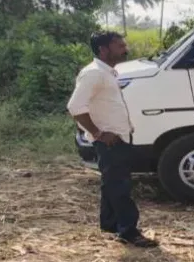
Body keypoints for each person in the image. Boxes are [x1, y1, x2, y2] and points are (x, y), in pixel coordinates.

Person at [66, 31, 158, 248]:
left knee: (112, 185)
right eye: (119, 45)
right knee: (120, 186)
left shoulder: (108, 72)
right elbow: (75, 107)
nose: (125, 49)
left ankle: (112, 225)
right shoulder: (94, 74)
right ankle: (129, 231)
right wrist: (98, 133)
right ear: (103, 49)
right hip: (110, 141)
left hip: (119, 137)